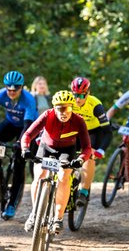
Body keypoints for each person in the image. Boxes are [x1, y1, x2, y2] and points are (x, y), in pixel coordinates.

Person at [20, 90, 92, 233]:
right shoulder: (47, 115)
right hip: (46, 147)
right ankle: (35, 213)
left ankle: (58, 218)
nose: (63, 112)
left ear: (72, 107)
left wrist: (80, 159)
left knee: (64, 177)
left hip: (67, 150)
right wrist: (25, 149)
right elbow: (28, 134)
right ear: (54, 108)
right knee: (39, 175)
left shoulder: (78, 121)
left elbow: (87, 147)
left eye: (67, 108)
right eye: (60, 108)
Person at [0, 71, 38, 220]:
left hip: (28, 128)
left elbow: (27, 127)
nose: (12, 92)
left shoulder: (29, 99)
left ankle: (12, 203)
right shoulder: (0, 94)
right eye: (9, 89)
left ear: (22, 88)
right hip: (11, 123)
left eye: (15, 89)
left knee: (19, 162)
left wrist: (21, 143)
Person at [69, 76, 113, 207]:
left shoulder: (95, 105)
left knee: (89, 156)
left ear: (88, 93)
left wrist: (101, 150)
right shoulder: (69, 101)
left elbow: (108, 132)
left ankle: (84, 192)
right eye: (75, 95)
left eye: (82, 96)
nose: (78, 99)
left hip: (93, 132)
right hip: (76, 131)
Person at [29, 76, 51, 177]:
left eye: (43, 84)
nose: (42, 86)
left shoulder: (48, 98)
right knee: (34, 153)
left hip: (47, 129)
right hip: (36, 128)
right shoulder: (32, 97)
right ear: (35, 86)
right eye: (39, 84)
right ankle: (35, 177)